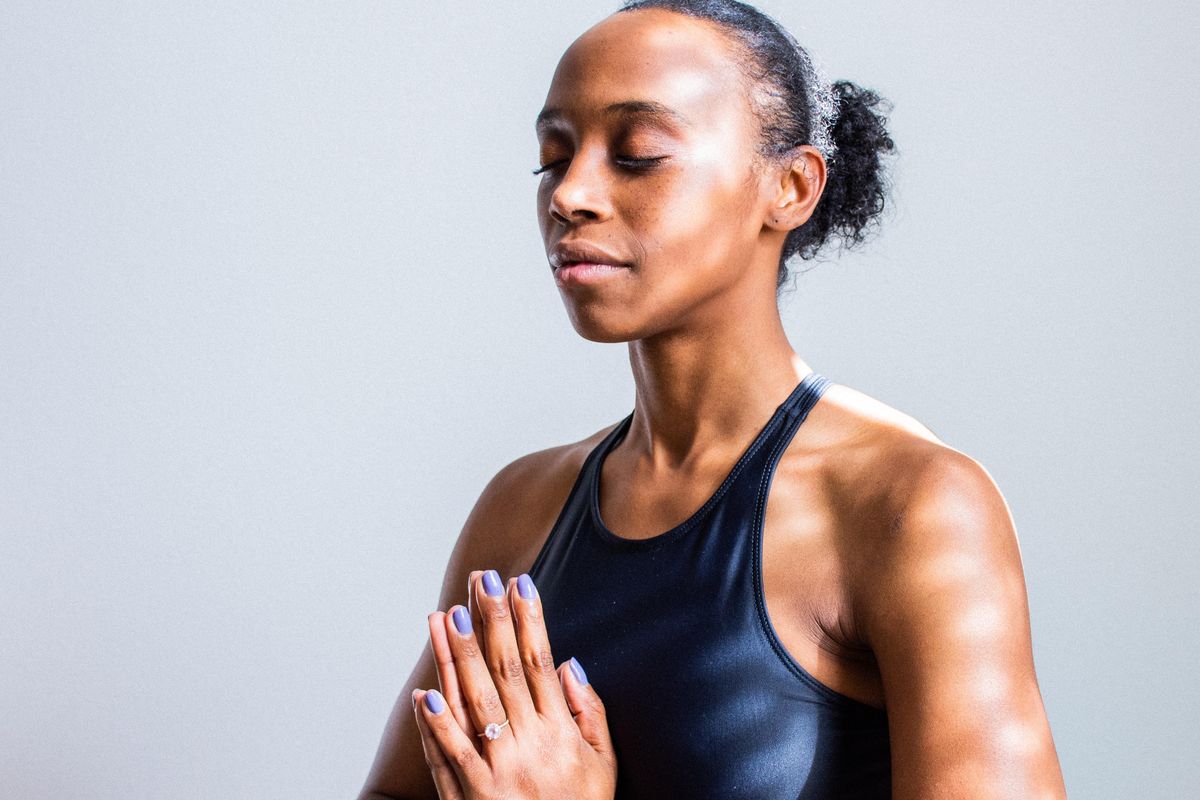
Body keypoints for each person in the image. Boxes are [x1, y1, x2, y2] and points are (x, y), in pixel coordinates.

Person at [358, 1, 1067, 797]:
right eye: (553, 158)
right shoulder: (519, 509)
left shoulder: (911, 507)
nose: (571, 195)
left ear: (791, 187)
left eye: (637, 154)